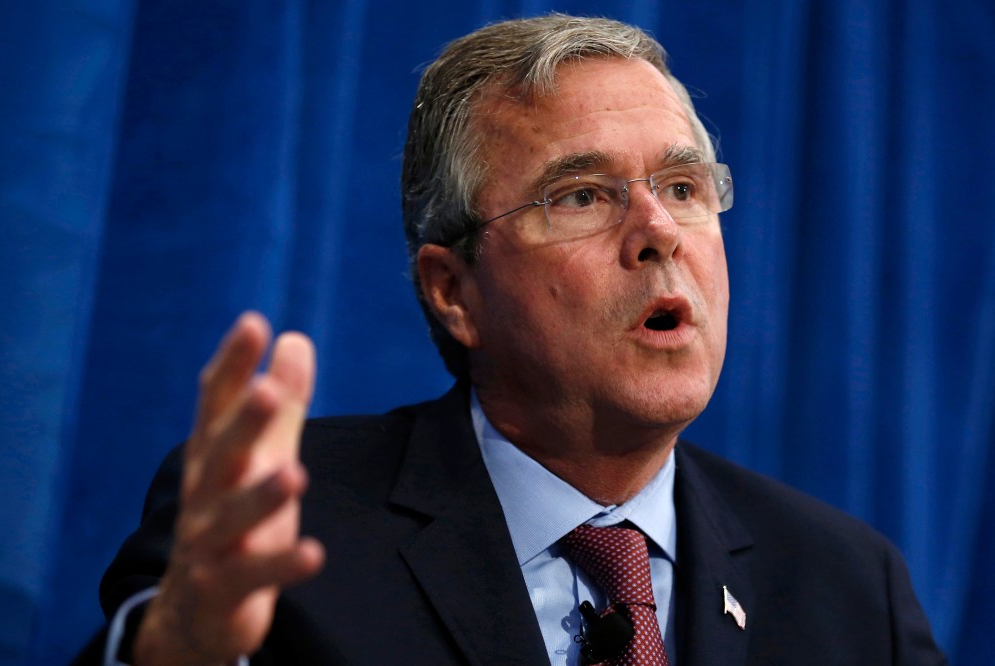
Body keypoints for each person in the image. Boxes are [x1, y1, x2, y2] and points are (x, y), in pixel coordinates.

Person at [79, 13, 945, 665]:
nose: (658, 231)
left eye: (683, 186)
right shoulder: (283, 529)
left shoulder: (848, 589)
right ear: (453, 292)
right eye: (581, 196)